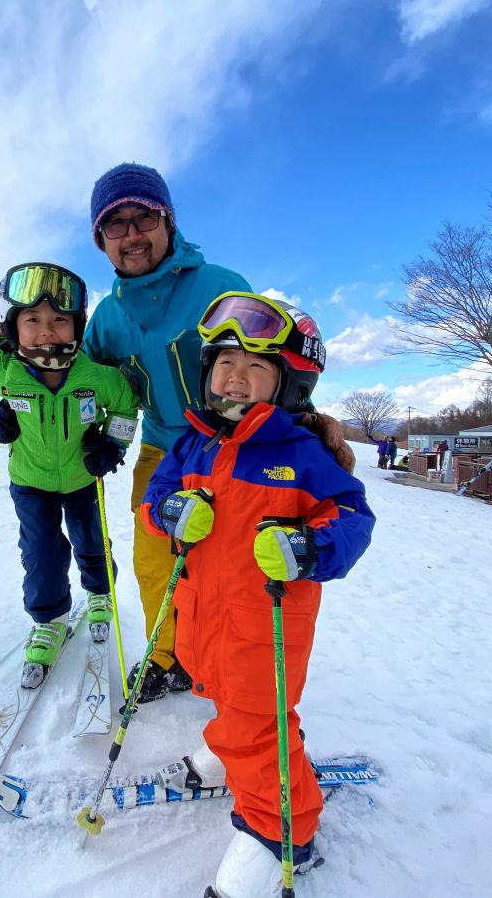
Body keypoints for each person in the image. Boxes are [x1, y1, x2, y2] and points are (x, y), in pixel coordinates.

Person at [83, 162, 357, 704]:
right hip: (166, 445)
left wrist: (311, 420)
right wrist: (106, 435)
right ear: (100, 240)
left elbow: (270, 358)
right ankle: (170, 658)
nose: (132, 235)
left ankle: (234, 665)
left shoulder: (221, 286)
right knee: (155, 553)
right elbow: (99, 388)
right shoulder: (107, 319)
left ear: (169, 222)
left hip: (243, 447)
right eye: (116, 224)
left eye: (144, 218)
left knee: (232, 562)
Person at [139, 292, 374, 898]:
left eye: (255, 367)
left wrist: (309, 547)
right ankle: (232, 755)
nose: (235, 378)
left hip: (264, 621)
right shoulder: (193, 442)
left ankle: (281, 834)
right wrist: (169, 511)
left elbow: (353, 516)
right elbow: (152, 497)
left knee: (257, 714)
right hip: (202, 613)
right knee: (221, 694)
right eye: (224, 364)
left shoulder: (301, 455)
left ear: (289, 383)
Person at [0, 262, 139, 688]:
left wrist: (113, 444)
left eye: (59, 320)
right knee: (41, 553)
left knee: (91, 540)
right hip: (31, 480)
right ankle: (49, 619)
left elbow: (128, 405)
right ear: (13, 326)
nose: (47, 331)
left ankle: (99, 592)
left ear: (76, 325)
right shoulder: (4, 371)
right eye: (33, 320)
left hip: (81, 479)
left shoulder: (95, 376)